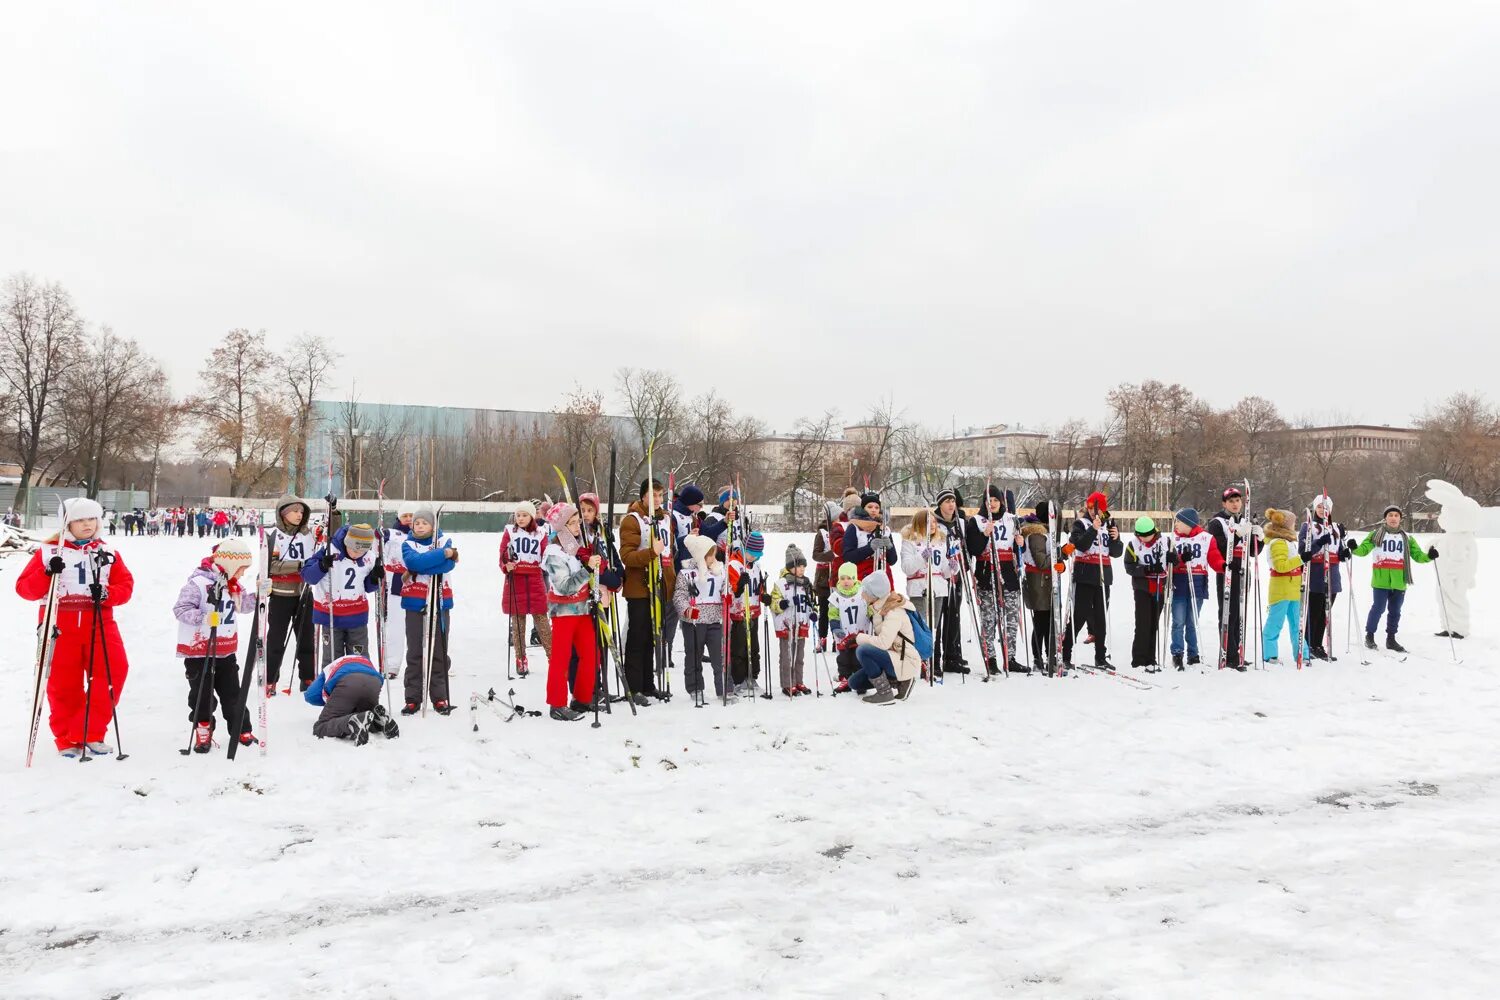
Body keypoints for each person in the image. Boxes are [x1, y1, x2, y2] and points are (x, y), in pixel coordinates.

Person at [13, 497, 135, 758]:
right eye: (80, 519)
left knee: (114, 671)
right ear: (67, 523)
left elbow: (125, 588)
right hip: (59, 622)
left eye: (92, 518)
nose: (87, 524)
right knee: (62, 682)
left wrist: (106, 593)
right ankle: (66, 736)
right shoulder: (48, 552)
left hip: (99, 622)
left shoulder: (108, 552)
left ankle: (88, 731)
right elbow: (24, 589)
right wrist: (46, 573)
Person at [173, 537, 258, 751]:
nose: (242, 574)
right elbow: (180, 609)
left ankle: (240, 727)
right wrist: (204, 617)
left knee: (233, 694)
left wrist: (261, 595)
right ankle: (203, 729)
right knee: (202, 696)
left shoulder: (234, 586)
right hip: (199, 652)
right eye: (240, 569)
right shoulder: (198, 583)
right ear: (229, 565)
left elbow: (243, 606)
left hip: (225, 652)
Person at [541, 502, 605, 721]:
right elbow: (565, 586)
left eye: (578, 521)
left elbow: (591, 571)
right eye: (572, 523)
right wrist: (587, 569)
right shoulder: (553, 552)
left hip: (583, 609)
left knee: (592, 654)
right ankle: (556, 703)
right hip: (564, 612)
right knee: (562, 657)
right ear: (561, 527)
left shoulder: (577, 546)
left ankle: (582, 697)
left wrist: (595, 564)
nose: (578, 526)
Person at [1349, 505, 1436, 653]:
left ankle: (1391, 638)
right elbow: (1364, 550)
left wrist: (1429, 556)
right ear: (1385, 518)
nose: (1393, 518)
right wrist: (1354, 548)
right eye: (1390, 515)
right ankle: (1370, 636)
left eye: (1396, 515)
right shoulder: (1375, 534)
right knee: (1378, 608)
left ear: (1400, 519)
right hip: (1381, 581)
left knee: (1395, 611)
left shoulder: (1407, 538)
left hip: (1399, 581)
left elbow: (1417, 556)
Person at [620, 478, 675, 701]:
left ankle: (648, 684)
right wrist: (651, 552)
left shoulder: (664, 519)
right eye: (653, 495)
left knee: (653, 636)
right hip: (639, 587)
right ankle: (634, 687)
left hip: (659, 585)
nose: (657, 500)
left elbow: (668, 553)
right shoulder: (632, 521)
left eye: (660, 495)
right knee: (638, 636)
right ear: (643, 496)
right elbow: (627, 556)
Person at [399, 505, 457, 715]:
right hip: (415, 602)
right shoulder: (408, 543)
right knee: (415, 651)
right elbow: (413, 561)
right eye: (417, 523)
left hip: (439, 601)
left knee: (438, 651)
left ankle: (439, 696)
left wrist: (426, 564)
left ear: (433, 526)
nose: (420, 526)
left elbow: (447, 567)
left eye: (424, 523)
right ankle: (413, 697)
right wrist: (443, 555)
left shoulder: (443, 541)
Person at [301, 522, 382, 663]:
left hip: (356, 617)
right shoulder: (329, 551)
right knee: (332, 659)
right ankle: (331, 684)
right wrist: (321, 566)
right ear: (346, 542)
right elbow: (308, 576)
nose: (357, 554)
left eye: (361, 551)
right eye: (354, 549)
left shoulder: (369, 557)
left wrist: (375, 578)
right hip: (331, 616)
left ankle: (358, 684)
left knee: (359, 659)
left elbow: (368, 587)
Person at [264, 494, 322, 695]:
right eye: (295, 511)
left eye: (301, 511)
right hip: (281, 594)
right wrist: (299, 565)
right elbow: (270, 566)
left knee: (307, 638)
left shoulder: (309, 534)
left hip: (304, 593)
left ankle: (307, 677)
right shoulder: (273, 535)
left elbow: (329, 537)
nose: (299, 515)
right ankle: (270, 678)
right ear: (283, 513)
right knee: (275, 640)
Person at [1062, 491, 1122, 669]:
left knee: (1100, 618)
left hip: (1103, 576)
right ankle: (1065, 653)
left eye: (1096, 510)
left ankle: (1100, 656)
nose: (1093, 513)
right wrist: (1093, 529)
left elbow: (1116, 552)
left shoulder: (1109, 523)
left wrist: (1116, 539)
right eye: (1089, 508)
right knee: (1079, 616)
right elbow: (1080, 544)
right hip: (1085, 574)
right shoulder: (1081, 524)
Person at [1206, 485, 1263, 671]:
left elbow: (1253, 553)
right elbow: (1221, 549)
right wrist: (1238, 535)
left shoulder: (1244, 521)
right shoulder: (1217, 522)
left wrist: (1258, 538)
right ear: (1224, 503)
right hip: (1227, 573)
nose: (1235, 504)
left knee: (1239, 614)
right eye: (1231, 501)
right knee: (1228, 614)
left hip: (1243, 571)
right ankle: (1228, 654)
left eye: (1237, 500)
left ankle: (1237, 652)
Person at [967, 485, 1022, 674]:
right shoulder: (976, 521)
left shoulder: (1012, 519)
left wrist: (1019, 545)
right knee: (989, 618)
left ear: (1001, 502)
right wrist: (984, 534)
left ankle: (1011, 656)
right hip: (986, 571)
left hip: (1008, 573)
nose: (992, 504)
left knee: (1012, 618)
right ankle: (990, 657)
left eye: (995, 500)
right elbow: (973, 549)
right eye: (989, 501)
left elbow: (1018, 550)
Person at [844, 572, 921, 705]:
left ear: (874, 595)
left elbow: (883, 643)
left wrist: (859, 638)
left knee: (862, 650)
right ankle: (900, 681)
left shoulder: (893, 612)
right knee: (854, 683)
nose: (862, 595)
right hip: (894, 656)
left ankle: (885, 693)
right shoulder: (881, 608)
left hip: (905, 659)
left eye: (865, 592)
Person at [676, 533, 729, 705]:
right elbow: (679, 595)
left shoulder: (719, 572)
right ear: (700, 555)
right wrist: (686, 609)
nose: (714, 558)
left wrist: (728, 595)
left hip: (714, 620)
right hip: (694, 622)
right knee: (693, 655)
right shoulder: (686, 574)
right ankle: (695, 687)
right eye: (710, 554)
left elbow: (725, 590)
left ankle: (724, 688)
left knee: (719, 656)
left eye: (714, 553)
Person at [499, 501, 552, 677]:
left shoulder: (540, 533)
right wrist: (507, 565)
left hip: (535, 579)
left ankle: (553, 657)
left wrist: (545, 565)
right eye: (518, 515)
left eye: (524, 515)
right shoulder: (510, 532)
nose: (520, 518)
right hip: (516, 580)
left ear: (531, 516)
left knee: (542, 620)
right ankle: (520, 659)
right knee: (518, 623)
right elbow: (503, 554)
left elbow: (546, 554)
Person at [1168, 507, 1224, 669]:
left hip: (1197, 584)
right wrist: (1177, 559)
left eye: (1179, 521)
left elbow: (1214, 558)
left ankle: (1193, 653)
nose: (1176, 524)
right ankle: (1177, 653)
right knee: (1178, 621)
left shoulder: (1206, 538)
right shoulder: (1173, 539)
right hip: (1178, 584)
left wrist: (1224, 566)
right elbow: (1168, 562)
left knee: (1192, 621)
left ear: (1188, 523)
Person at [900, 508, 951, 679]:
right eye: (930, 522)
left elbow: (944, 570)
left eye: (935, 522)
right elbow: (907, 568)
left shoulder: (940, 542)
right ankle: (920, 662)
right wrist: (922, 557)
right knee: (921, 628)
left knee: (934, 627)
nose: (934, 526)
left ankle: (932, 661)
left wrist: (951, 568)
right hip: (918, 587)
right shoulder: (909, 542)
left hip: (937, 588)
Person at [1299, 494, 1351, 661]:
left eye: (1326, 507)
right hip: (1315, 574)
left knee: (1325, 614)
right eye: (1320, 507)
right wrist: (1319, 543)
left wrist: (1344, 552)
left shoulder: (1336, 527)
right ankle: (1308, 644)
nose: (1323, 510)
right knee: (1314, 612)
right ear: (1315, 508)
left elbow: (1340, 550)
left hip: (1333, 575)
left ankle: (1318, 644)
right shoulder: (1308, 526)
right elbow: (1303, 551)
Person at [305, 653, 398, 744]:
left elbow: (310, 696)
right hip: (374, 682)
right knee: (365, 716)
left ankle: (352, 722)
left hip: (347, 683)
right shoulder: (360, 659)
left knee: (320, 727)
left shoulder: (328, 668)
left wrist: (330, 701)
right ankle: (378, 719)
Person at [1018, 502, 1061, 673]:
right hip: (1039, 583)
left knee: (1048, 621)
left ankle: (1048, 656)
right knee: (1041, 622)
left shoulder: (1043, 532)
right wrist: (1060, 554)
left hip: (1045, 581)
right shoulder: (1036, 534)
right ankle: (1038, 658)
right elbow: (1042, 562)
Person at [1123, 516, 1170, 671]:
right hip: (1142, 588)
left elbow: (1174, 561)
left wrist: (1173, 559)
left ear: (1153, 532)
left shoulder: (1165, 542)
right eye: (1140, 535)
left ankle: (1151, 658)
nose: (1143, 538)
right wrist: (1147, 569)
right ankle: (1138, 659)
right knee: (1143, 623)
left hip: (1159, 587)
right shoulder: (1132, 545)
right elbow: (1129, 567)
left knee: (1153, 624)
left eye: (1146, 535)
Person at [1260, 509, 1305, 665]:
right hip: (1280, 589)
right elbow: (1280, 566)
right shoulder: (1277, 542)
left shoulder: (1289, 541)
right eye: (1293, 522)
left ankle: (1302, 654)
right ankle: (1270, 654)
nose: (1295, 525)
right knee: (1275, 623)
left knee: (1297, 625)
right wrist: (1301, 560)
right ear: (1285, 524)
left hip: (1293, 589)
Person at [727, 530, 768, 694]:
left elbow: (759, 586)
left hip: (753, 612)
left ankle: (752, 676)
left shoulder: (756, 565)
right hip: (739, 613)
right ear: (744, 549)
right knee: (739, 648)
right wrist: (738, 588)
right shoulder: (733, 565)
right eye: (751, 554)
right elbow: (731, 590)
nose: (753, 557)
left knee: (754, 647)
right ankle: (738, 680)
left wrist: (764, 595)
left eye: (757, 554)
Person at [770, 544, 814, 696]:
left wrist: (813, 612)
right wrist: (784, 603)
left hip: (801, 626)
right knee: (787, 656)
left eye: (803, 566)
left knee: (799, 657)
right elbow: (774, 603)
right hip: (787, 626)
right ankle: (787, 683)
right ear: (790, 567)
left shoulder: (807, 584)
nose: (802, 569)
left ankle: (798, 681)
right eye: (798, 566)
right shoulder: (781, 584)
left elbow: (811, 602)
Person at [381, 502, 415, 678]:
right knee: (396, 625)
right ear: (399, 518)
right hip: (397, 584)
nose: (408, 519)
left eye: (411, 515)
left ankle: (424, 662)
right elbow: (379, 552)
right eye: (405, 516)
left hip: (419, 584)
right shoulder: (391, 534)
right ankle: (392, 664)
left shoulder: (422, 533)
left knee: (418, 627)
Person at [828, 563, 873, 687]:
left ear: (854, 579)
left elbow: (870, 608)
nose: (845, 581)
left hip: (860, 632)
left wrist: (873, 617)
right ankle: (845, 679)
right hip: (844, 633)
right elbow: (833, 614)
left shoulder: (862, 593)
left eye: (849, 578)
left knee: (859, 657)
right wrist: (835, 627)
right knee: (844, 658)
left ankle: (859, 681)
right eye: (842, 578)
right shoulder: (835, 597)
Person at [841, 491, 893, 583]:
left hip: (883, 580)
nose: (873, 510)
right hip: (861, 579)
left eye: (877, 507)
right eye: (870, 507)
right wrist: (870, 548)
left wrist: (889, 548)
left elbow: (892, 560)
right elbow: (847, 557)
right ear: (863, 508)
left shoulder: (885, 529)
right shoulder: (854, 527)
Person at [811, 501, 841, 652]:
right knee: (824, 611)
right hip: (824, 579)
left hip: (837, 577)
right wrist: (830, 555)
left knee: (837, 610)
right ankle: (822, 639)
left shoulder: (841, 531)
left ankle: (838, 638)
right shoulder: (822, 533)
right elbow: (815, 555)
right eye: (837, 518)